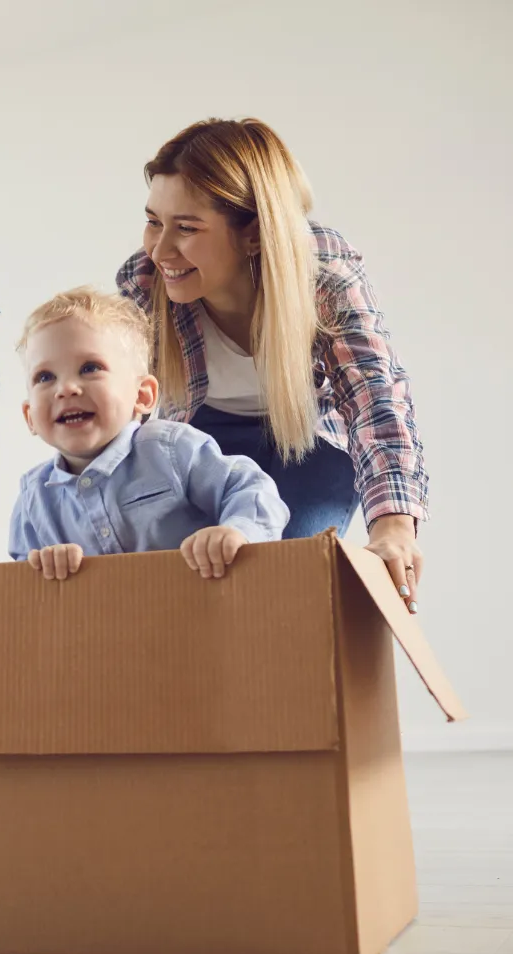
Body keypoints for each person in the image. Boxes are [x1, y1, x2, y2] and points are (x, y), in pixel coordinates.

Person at [117, 118, 428, 612]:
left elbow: (374, 396)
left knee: (280, 581)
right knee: (182, 579)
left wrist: (392, 527)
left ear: (254, 236)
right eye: (154, 220)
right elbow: (124, 414)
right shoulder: (144, 280)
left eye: (187, 228)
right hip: (199, 438)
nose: (160, 250)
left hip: (303, 442)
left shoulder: (322, 272)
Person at [10, 287, 288, 582]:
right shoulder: (33, 499)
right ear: (30, 417)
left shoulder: (171, 450)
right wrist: (42, 568)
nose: (66, 388)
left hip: (198, 612)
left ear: (142, 395)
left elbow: (250, 487)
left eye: (90, 368)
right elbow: (19, 588)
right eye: (45, 377)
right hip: (102, 626)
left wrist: (236, 531)